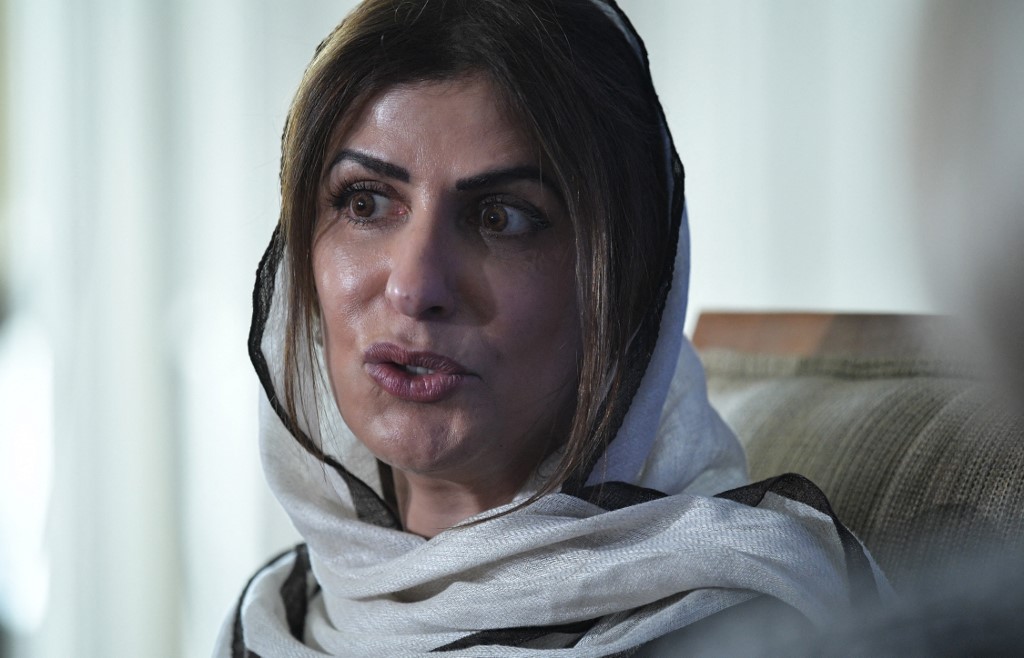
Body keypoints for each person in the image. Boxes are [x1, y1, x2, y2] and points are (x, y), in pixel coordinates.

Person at [216, 0, 890, 655]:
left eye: (500, 217)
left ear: (619, 284)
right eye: (365, 203)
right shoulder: (282, 617)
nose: (415, 287)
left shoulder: (739, 626)